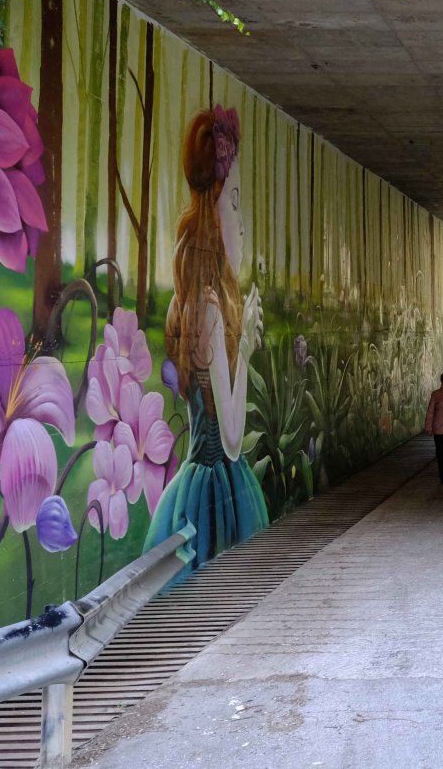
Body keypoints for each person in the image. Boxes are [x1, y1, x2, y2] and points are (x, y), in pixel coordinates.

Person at [147, 106, 270, 574]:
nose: (240, 225)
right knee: (224, 575)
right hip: (221, 481)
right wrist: (248, 352)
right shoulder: (213, 312)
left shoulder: (190, 303)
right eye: (234, 204)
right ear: (213, 218)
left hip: (191, 485)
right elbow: (235, 438)